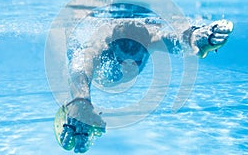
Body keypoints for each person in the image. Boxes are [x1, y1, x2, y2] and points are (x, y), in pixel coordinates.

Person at [56, 12, 233, 153]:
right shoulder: (99, 43)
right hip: (92, 65)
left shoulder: (148, 36)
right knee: (74, 49)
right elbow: (82, 62)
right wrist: (80, 101)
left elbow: (174, 40)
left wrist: (194, 37)